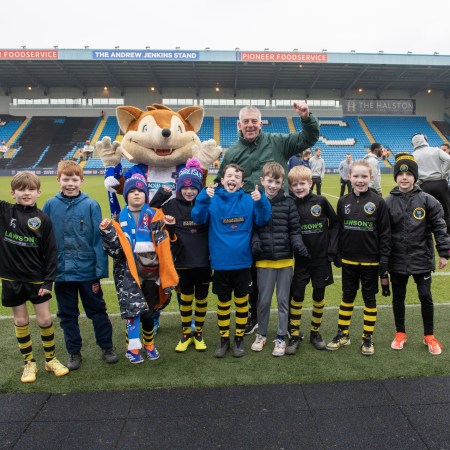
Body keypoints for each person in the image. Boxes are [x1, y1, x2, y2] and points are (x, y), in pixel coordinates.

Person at [215, 101, 320, 335]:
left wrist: (306, 117)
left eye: (254, 121)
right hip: (247, 219)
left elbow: (309, 137)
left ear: (261, 123)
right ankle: (254, 315)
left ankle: (289, 322)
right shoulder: (232, 153)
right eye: (246, 121)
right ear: (239, 125)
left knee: (285, 269)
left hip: (279, 215)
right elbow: (221, 183)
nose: (250, 125)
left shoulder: (278, 141)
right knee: (252, 268)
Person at [42, 160, 118, 370]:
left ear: (81, 181)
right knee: (67, 315)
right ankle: (74, 352)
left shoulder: (91, 205)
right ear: (58, 180)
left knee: (98, 311)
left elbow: (97, 239)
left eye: (74, 179)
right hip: (61, 272)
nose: (70, 184)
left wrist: (100, 270)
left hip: (87, 271)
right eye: (66, 179)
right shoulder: (50, 205)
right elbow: (44, 239)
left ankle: (107, 346)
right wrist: (47, 269)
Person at [192, 163, 271, 358]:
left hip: (243, 262)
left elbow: (262, 219)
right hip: (220, 263)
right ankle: (224, 340)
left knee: (242, 303)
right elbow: (198, 218)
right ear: (222, 180)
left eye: (237, 177)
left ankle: (239, 340)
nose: (232, 179)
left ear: (242, 183)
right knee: (223, 303)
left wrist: (261, 201)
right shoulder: (212, 199)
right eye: (229, 175)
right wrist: (202, 198)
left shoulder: (249, 200)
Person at [99, 174, 178, 363]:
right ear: (126, 195)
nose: (136, 194)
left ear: (145, 195)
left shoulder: (155, 215)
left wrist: (170, 227)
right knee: (132, 312)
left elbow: (166, 242)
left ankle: (149, 344)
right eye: (132, 191)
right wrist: (107, 233)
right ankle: (132, 348)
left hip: (151, 273)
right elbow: (115, 251)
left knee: (149, 313)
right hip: (128, 274)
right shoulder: (117, 220)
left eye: (140, 191)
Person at [1, 172, 69, 383]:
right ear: (13, 193)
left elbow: (51, 252)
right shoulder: (4, 212)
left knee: (45, 319)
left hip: (37, 280)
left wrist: (48, 282)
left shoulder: (43, 219)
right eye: (21, 189)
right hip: (12, 280)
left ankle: (50, 359)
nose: (26, 193)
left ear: (39, 192)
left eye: (31, 189)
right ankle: (29, 363)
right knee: (21, 320)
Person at [385, 153, 450, 355]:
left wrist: (444, 252)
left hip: (421, 257)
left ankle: (429, 335)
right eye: (400, 174)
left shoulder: (428, 200)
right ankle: (400, 333)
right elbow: (382, 234)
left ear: (415, 176)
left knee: (425, 296)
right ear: (396, 177)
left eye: (409, 174)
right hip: (396, 260)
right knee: (398, 297)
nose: (404, 177)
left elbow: (440, 227)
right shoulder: (387, 202)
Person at [326, 159, 391, 356]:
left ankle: (367, 337)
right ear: (349, 177)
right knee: (347, 297)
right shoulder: (342, 201)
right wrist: (337, 252)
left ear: (371, 177)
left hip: (371, 261)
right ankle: (343, 334)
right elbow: (339, 228)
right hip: (348, 260)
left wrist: (384, 260)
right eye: (356, 176)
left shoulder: (379, 202)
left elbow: (385, 233)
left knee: (369, 298)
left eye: (364, 176)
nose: (360, 180)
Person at [151, 158, 211, 352]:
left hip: (204, 261)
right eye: (185, 188)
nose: (189, 191)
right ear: (179, 188)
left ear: (199, 188)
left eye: (193, 188)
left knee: (201, 299)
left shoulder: (205, 203)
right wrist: (161, 196)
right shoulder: (170, 205)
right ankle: (186, 333)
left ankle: (198, 332)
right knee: (185, 298)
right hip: (182, 262)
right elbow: (149, 213)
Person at [250, 162, 308, 356]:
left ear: (282, 183)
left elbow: (294, 229)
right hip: (264, 260)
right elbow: (252, 228)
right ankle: (261, 334)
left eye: (277, 182)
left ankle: (281, 337)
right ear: (262, 180)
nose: (273, 185)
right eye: (270, 181)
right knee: (263, 301)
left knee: (283, 301)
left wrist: (298, 244)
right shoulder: (255, 200)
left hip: (285, 261)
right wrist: (255, 242)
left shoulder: (289, 202)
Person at [286, 166, 338, 354]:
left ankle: (315, 332)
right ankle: (294, 334)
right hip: (301, 260)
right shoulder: (290, 203)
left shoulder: (321, 201)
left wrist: (331, 247)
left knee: (318, 295)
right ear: (290, 187)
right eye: (295, 185)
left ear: (310, 183)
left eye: (302, 183)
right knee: (297, 295)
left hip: (321, 260)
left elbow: (335, 223)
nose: (299, 187)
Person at [412, 134, 450, 230]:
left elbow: (412, 172)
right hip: (440, 183)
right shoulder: (436, 150)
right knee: (446, 211)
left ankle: (428, 234)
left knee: (426, 212)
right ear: (425, 140)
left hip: (424, 185)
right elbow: (448, 160)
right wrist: (444, 174)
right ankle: (447, 234)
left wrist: (418, 182)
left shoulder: (412, 155)